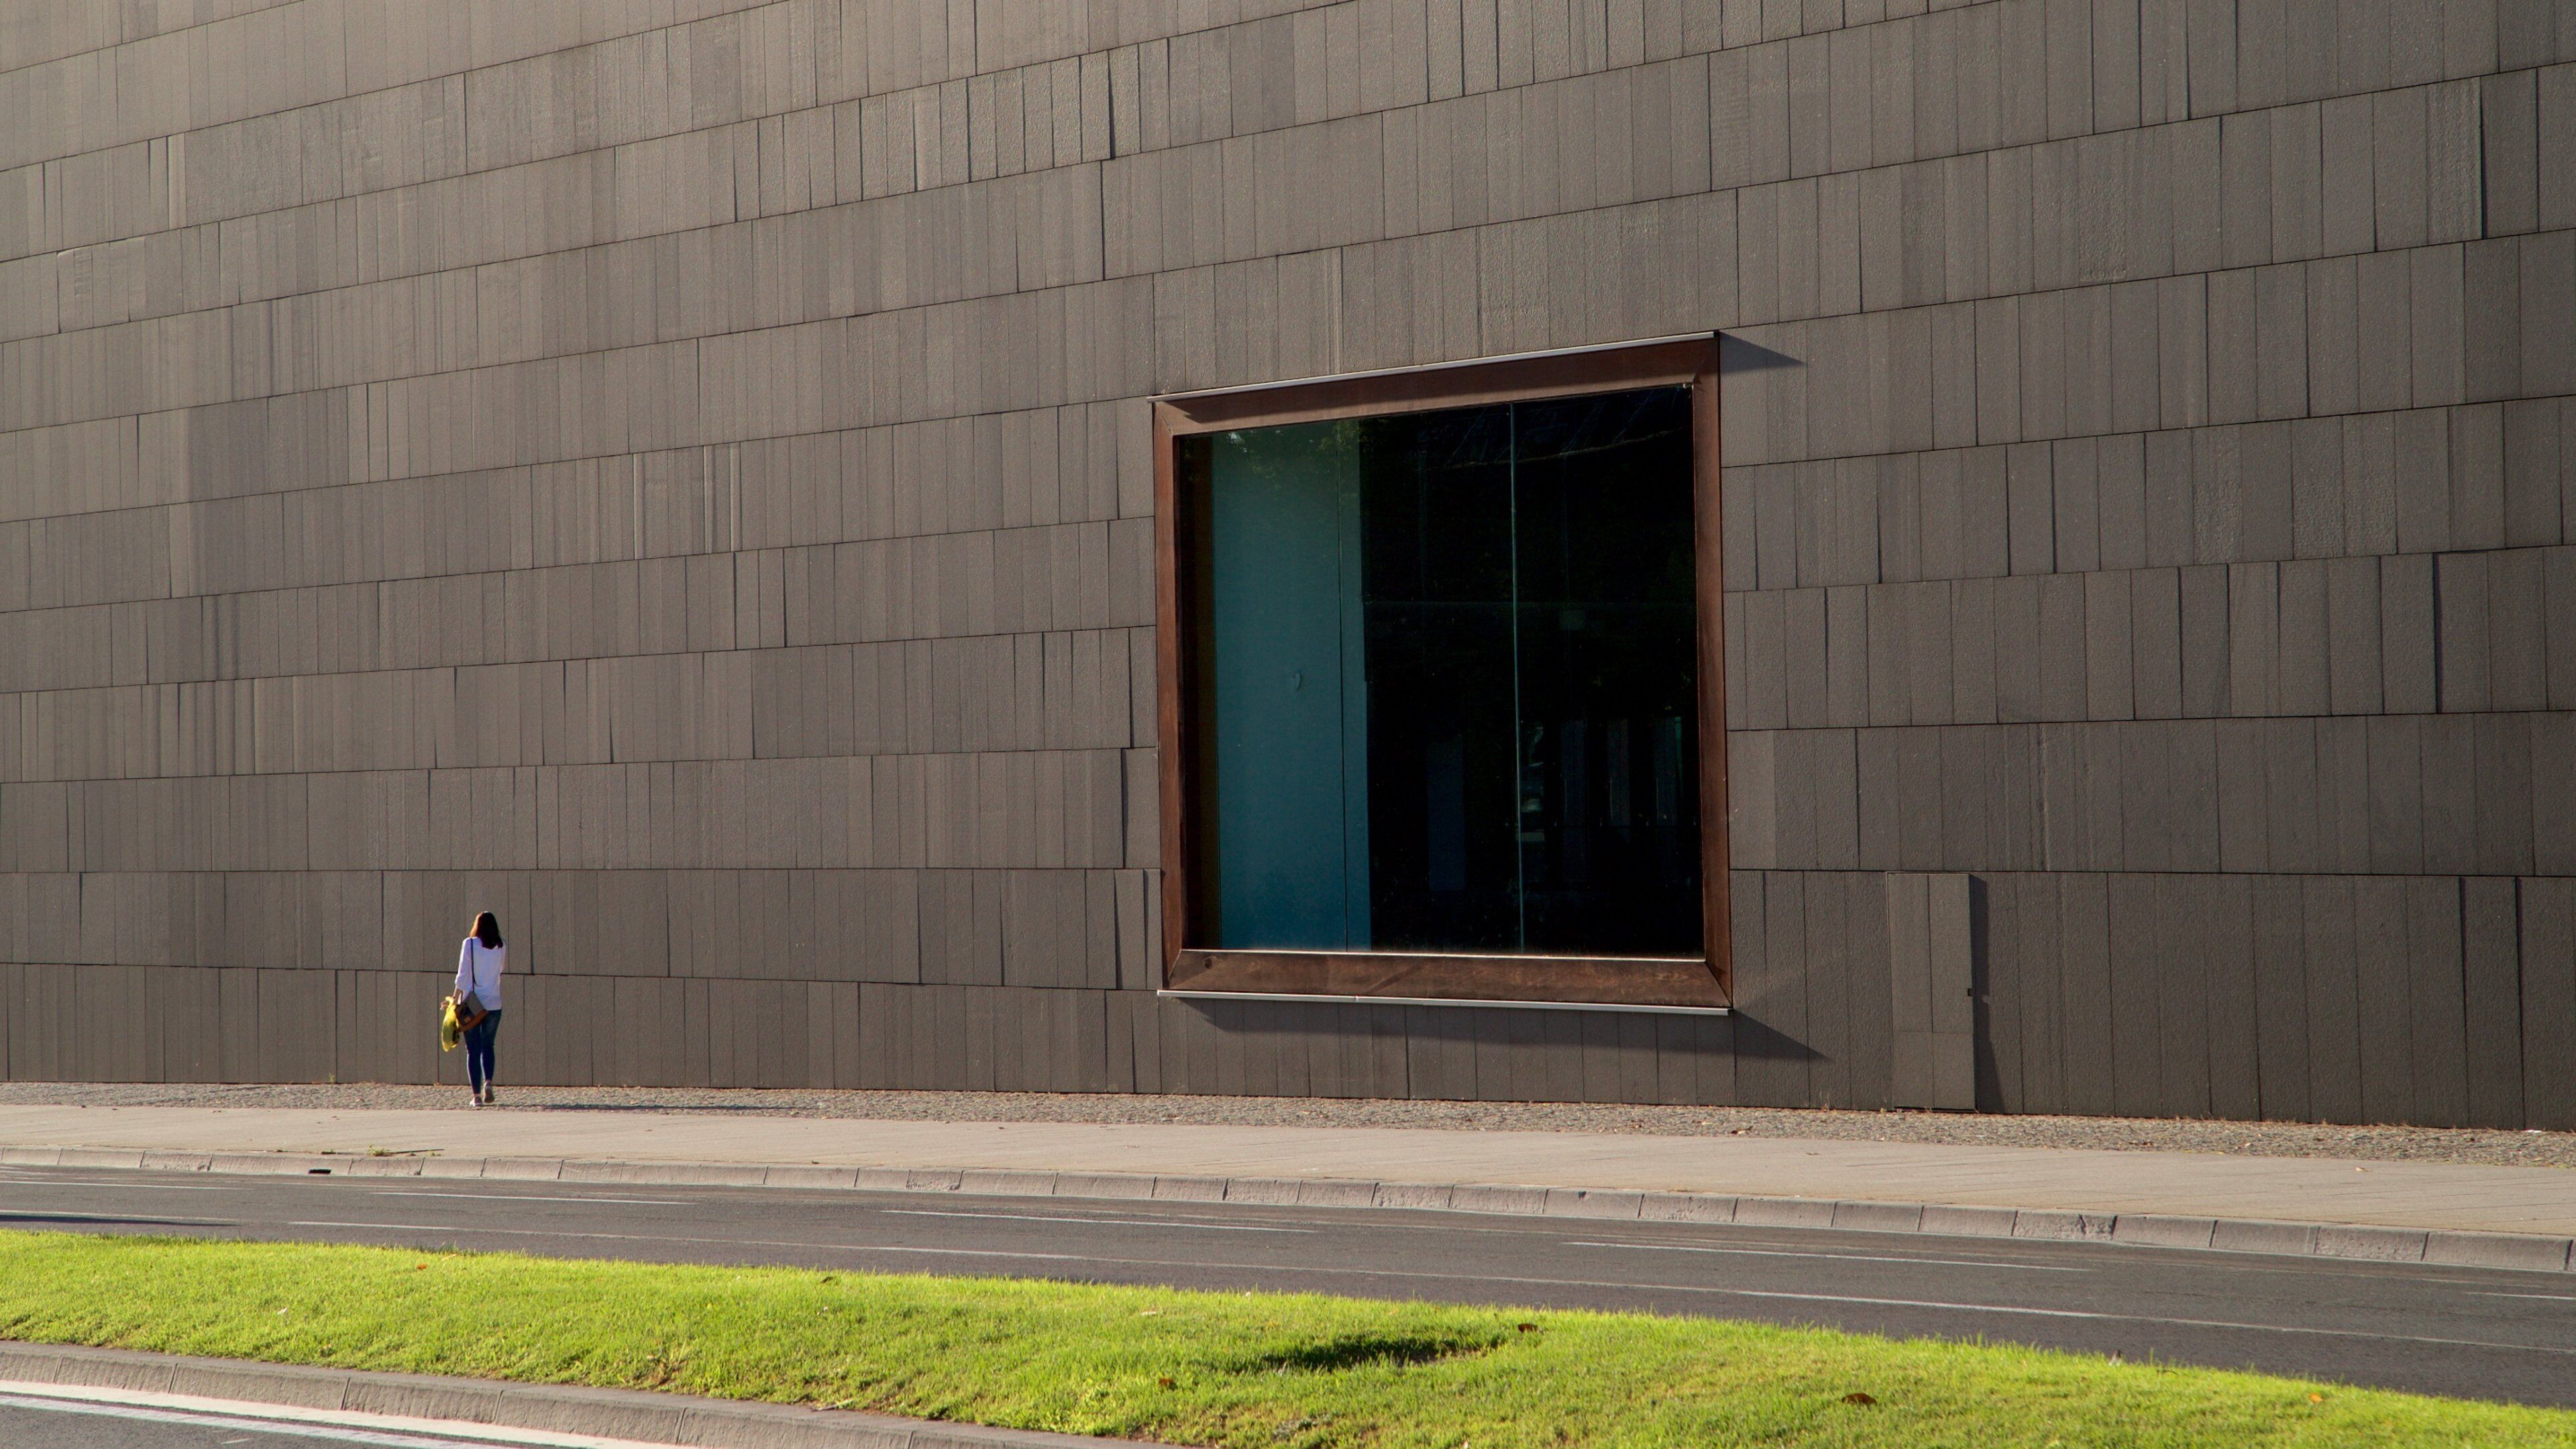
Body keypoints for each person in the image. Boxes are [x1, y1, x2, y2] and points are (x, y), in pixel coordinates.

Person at [455, 912, 506, 1106]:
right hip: (494, 1003)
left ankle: (476, 1096)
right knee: (488, 1046)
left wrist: (455, 997)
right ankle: (489, 1083)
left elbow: (463, 973)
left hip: (473, 1005)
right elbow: (500, 970)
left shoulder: (469, 944)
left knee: (472, 1050)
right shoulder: (501, 945)